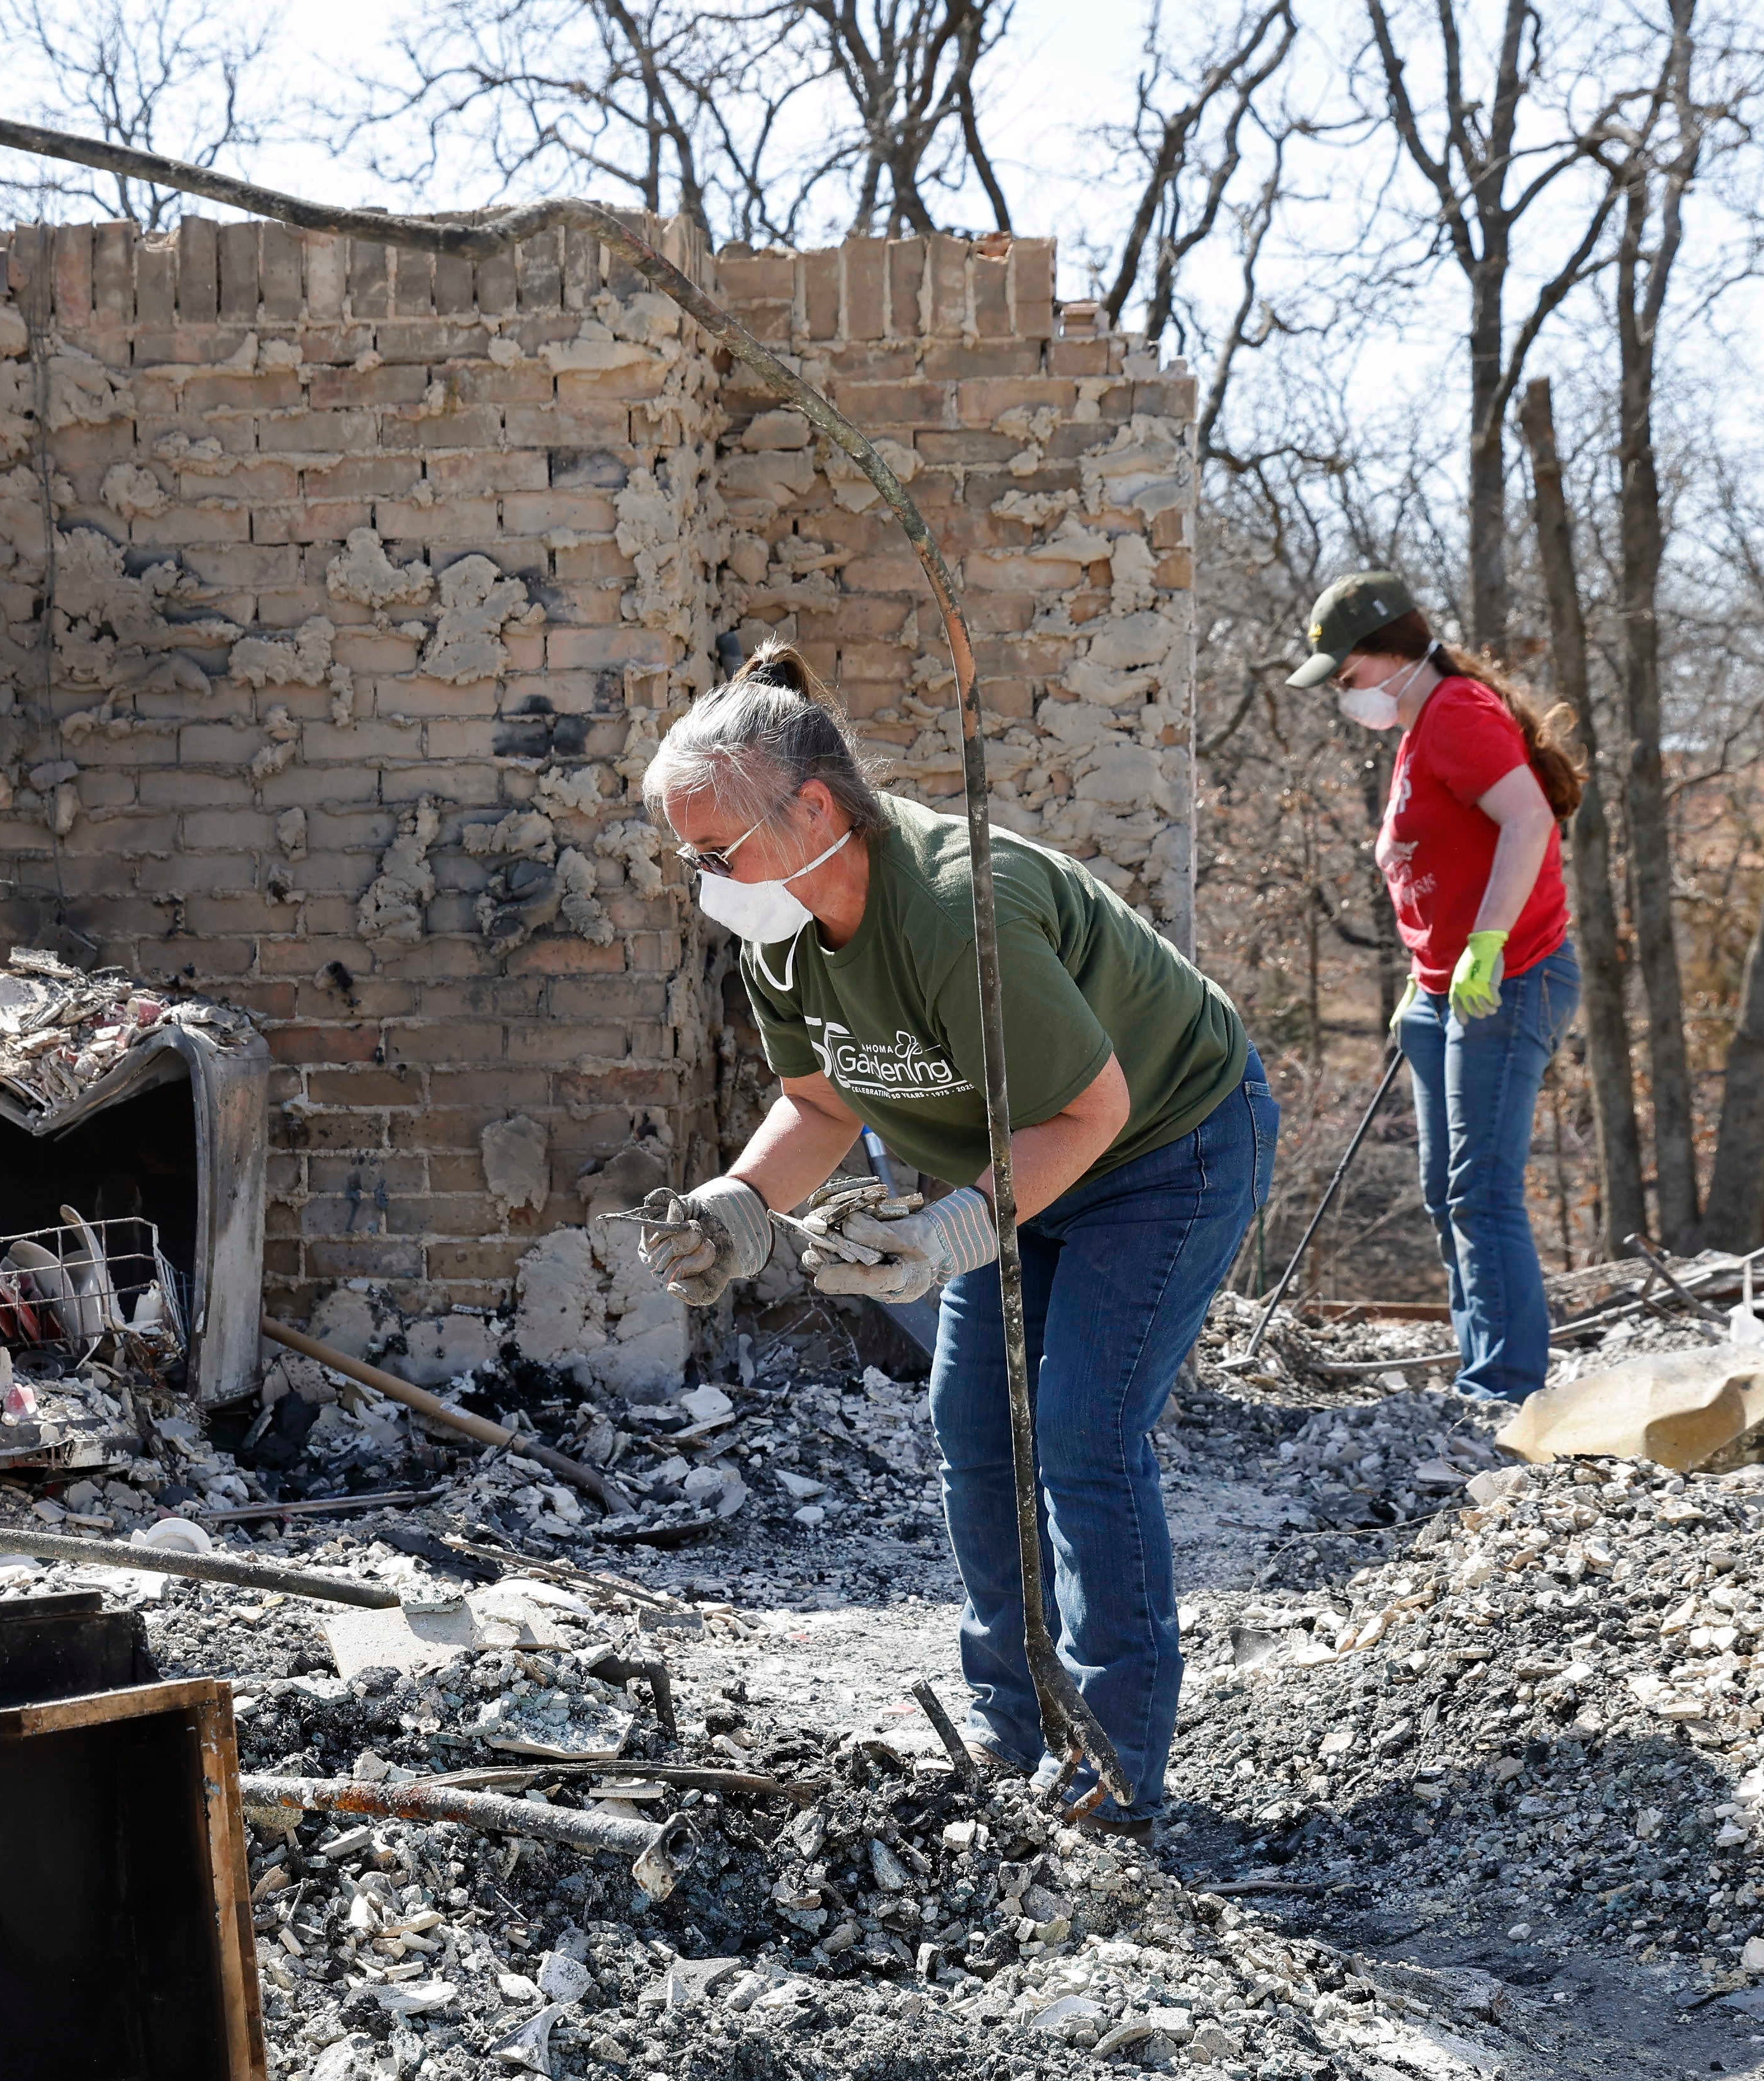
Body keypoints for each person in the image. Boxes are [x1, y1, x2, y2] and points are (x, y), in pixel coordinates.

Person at [634, 648, 1275, 1835]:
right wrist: (737, 1204)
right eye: (690, 857)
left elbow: (1090, 1112)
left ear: (816, 808)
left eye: (716, 852)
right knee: (974, 1428)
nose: (704, 879)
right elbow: (823, 1102)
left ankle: (1112, 1762)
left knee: (1083, 1428)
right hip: (1003, 1165)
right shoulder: (781, 926)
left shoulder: (956, 910)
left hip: (1160, 1149)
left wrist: (950, 1231)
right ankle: (1011, 1721)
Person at [1288, 570, 1584, 1405]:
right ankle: (1479, 1366)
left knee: (1481, 1188)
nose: (1349, 699)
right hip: (1440, 990)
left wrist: (1487, 944)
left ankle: (1506, 1387)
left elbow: (1529, 820)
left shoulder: (1457, 712)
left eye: (1349, 680)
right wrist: (1425, 974)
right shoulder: (1421, 729)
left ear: (1393, 654)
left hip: (1508, 976)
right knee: (1445, 1190)